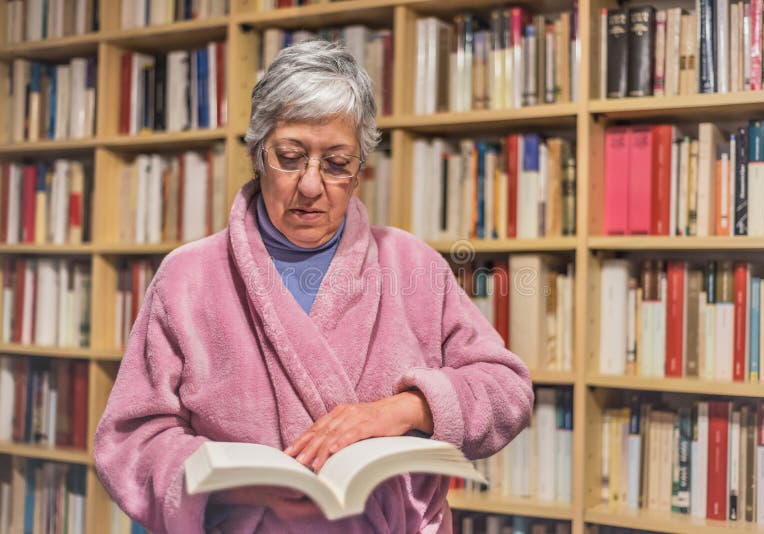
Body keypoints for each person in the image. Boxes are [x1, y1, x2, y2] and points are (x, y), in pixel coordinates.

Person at [94, 40, 533, 534]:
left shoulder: (412, 264)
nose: (309, 185)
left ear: (361, 169)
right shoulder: (188, 277)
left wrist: (406, 408)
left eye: (336, 163)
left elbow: (507, 390)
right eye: (290, 156)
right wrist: (215, 478)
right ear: (258, 153)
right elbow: (130, 440)